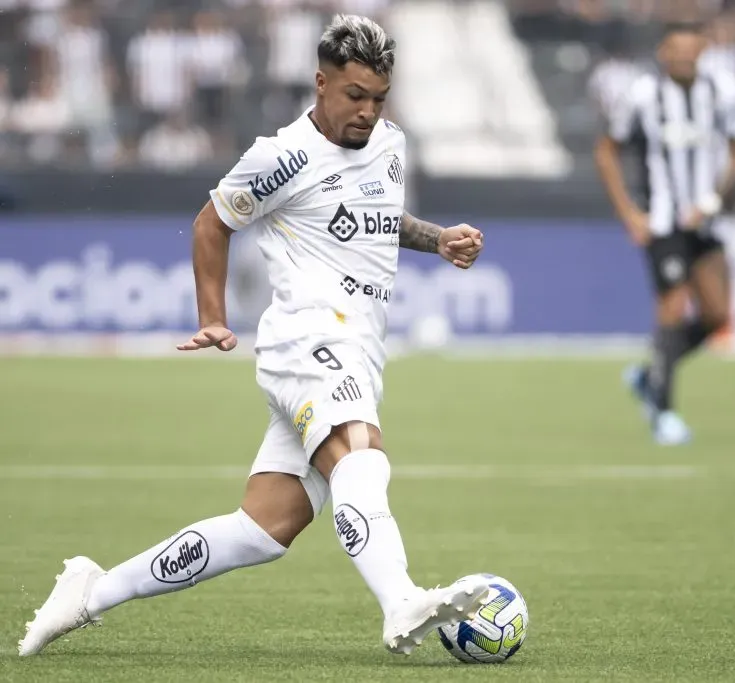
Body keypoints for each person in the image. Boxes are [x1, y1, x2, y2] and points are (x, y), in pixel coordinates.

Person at [19, 14, 489, 658]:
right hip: (308, 340)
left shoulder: (390, 144)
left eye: (379, 98)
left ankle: (92, 591)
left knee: (263, 529)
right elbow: (211, 225)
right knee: (360, 455)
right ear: (321, 83)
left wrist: (438, 240)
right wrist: (212, 314)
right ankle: (400, 598)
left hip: (359, 347)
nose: (367, 112)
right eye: (355, 96)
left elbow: (377, 217)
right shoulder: (280, 157)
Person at [593, 21, 735, 445]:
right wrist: (629, 213)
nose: (682, 55)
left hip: (707, 221)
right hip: (662, 223)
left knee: (718, 316)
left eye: (690, 47)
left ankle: (649, 376)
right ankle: (663, 414)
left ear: (702, 48)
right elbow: (607, 151)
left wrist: (713, 202)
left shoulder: (725, 92)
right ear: (663, 51)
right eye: (674, 48)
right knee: (673, 308)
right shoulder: (642, 96)